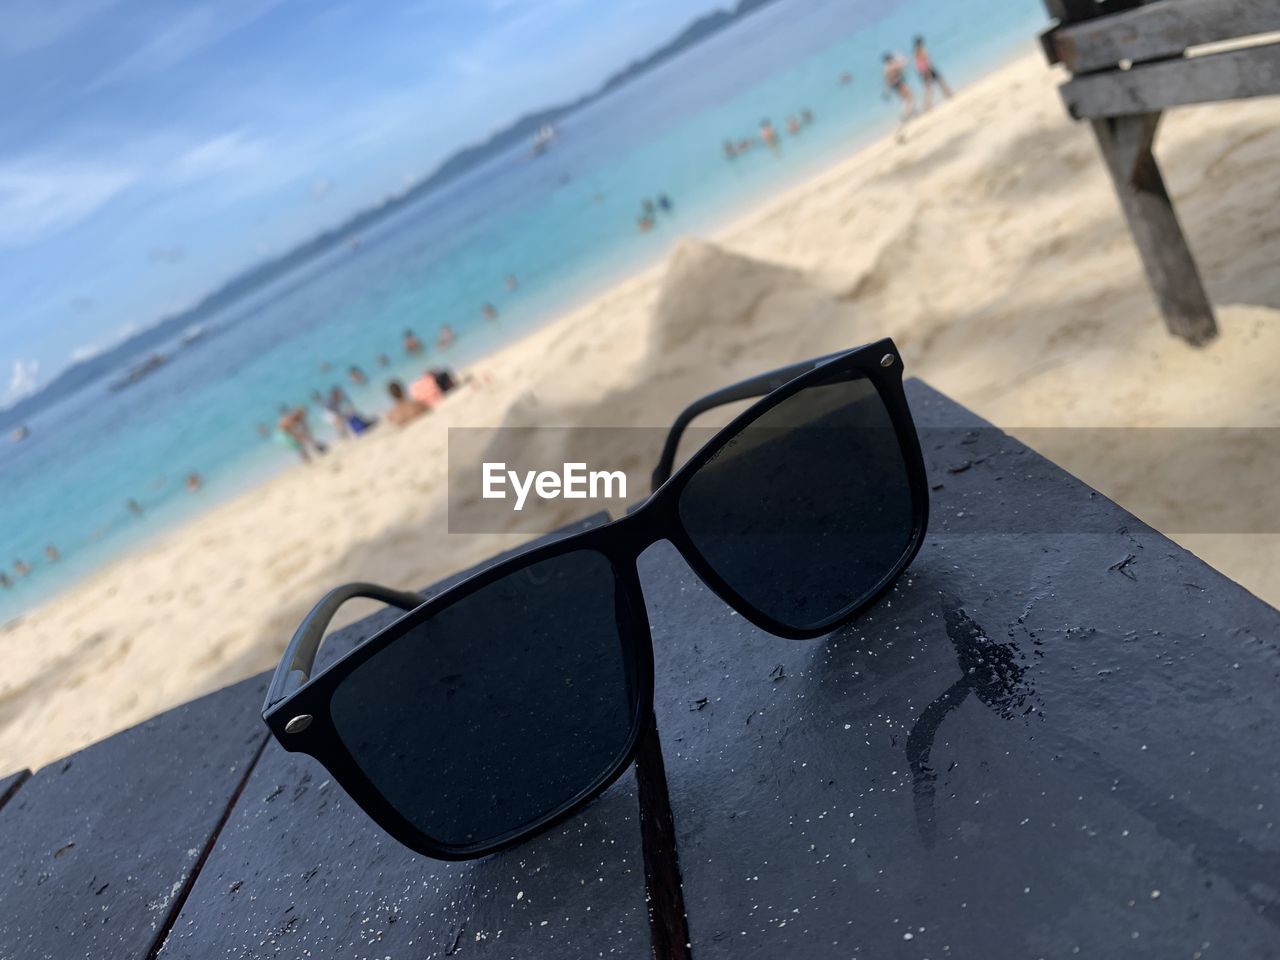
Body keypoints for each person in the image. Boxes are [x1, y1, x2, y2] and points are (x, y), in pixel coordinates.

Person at [913, 36, 952, 110]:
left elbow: (918, 64)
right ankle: (948, 94)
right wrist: (927, 71)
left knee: (929, 87)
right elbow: (924, 60)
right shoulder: (920, 50)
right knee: (938, 82)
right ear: (920, 43)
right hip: (927, 69)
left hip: (923, 71)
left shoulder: (915, 51)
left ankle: (927, 105)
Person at [883, 52, 916, 123]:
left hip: (895, 85)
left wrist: (887, 91)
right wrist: (900, 57)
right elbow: (904, 64)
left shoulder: (885, 68)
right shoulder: (891, 66)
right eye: (891, 58)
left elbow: (886, 81)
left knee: (905, 99)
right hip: (899, 83)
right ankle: (906, 113)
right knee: (910, 96)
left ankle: (907, 112)